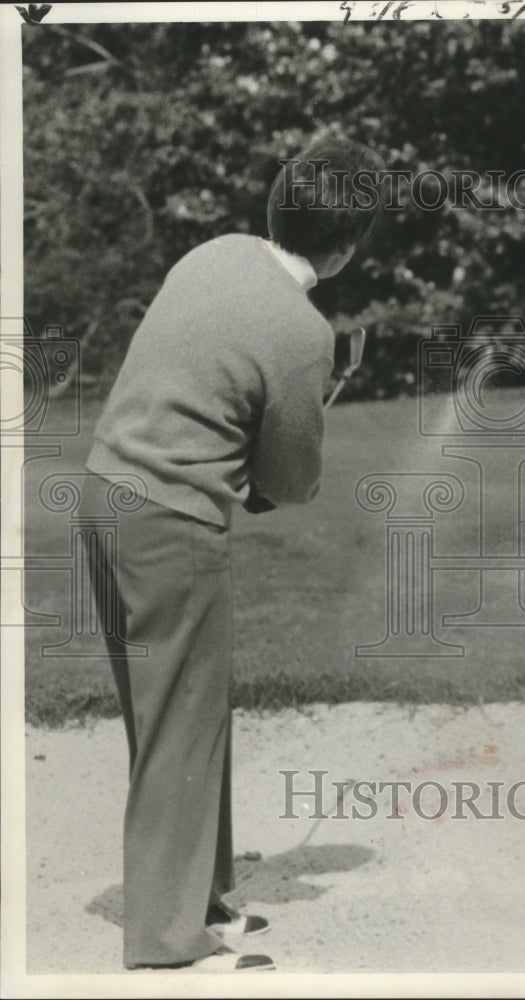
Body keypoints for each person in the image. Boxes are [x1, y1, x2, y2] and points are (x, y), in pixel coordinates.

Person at [78, 135, 384, 971]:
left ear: (277, 203)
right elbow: (286, 483)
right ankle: (171, 941)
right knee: (185, 718)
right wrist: (314, 393)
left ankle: (202, 900)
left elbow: (197, 385)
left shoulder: (213, 252)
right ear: (350, 244)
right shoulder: (303, 330)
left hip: (103, 496)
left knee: (171, 715)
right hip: (171, 526)